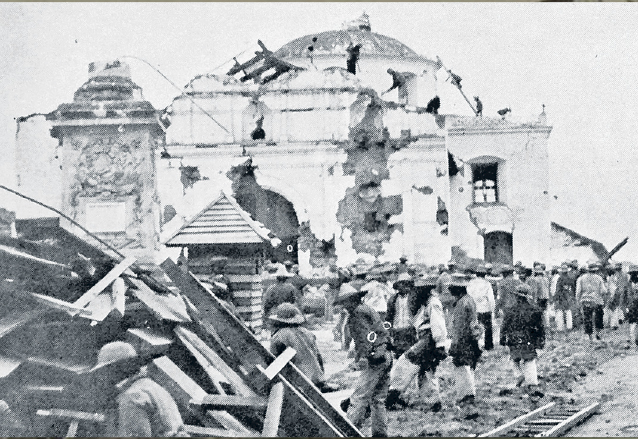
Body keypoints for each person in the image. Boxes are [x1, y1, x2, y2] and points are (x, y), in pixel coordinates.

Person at [335, 282, 392, 437]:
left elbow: (364, 340)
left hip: (376, 358)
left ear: (352, 300)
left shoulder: (357, 315)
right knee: (378, 399)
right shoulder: (367, 309)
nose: (344, 306)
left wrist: (363, 358)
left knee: (359, 398)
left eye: (345, 302)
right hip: (385, 354)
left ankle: (347, 432)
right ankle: (380, 433)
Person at [97, 341, 188, 437]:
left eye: (107, 369)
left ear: (120, 367)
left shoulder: (131, 396)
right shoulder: (154, 387)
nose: (104, 375)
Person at [387, 275, 449, 412]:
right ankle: (431, 401)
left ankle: (392, 395)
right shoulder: (423, 303)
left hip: (428, 341)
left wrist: (440, 345)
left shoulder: (433, 303)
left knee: (404, 363)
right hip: (420, 338)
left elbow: (438, 326)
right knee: (425, 370)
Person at [269, 303, 337, 393]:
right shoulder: (307, 333)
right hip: (317, 379)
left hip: (299, 381)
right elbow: (318, 357)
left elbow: (273, 361)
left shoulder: (279, 336)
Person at [500, 284, 545, 397]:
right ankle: (531, 383)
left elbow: (504, 326)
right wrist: (541, 341)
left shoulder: (510, 310)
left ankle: (519, 375)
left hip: (513, 339)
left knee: (514, 359)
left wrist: (502, 339)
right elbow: (540, 328)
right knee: (529, 360)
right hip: (529, 339)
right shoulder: (535, 310)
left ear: (516, 297)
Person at [449, 273, 482, 405]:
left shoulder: (462, 303)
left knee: (462, 366)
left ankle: (467, 395)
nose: (450, 289)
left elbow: (460, 327)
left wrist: (455, 344)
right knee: (467, 367)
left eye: (452, 287)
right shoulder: (468, 300)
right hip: (470, 339)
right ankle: (467, 393)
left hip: (463, 340)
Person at [386, 273, 419, 357]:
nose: (405, 286)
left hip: (410, 329)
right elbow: (389, 316)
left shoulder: (414, 298)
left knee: (411, 353)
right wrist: (389, 330)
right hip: (397, 330)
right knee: (398, 353)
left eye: (407, 284)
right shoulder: (393, 299)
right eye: (402, 284)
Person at [576, 261, 607, 342]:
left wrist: (578, 301)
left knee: (587, 318)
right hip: (597, 300)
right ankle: (598, 334)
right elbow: (603, 291)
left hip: (585, 300)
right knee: (598, 318)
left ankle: (590, 337)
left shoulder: (581, 278)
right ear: (595, 270)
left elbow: (578, 292)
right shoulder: (599, 278)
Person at [466, 265, 496, 350]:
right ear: (484, 274)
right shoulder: (487, 284)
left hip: (474, 308)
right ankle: (488, 345)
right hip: (485, 308)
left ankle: (475, 345)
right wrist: (492, 309)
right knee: (487, 328)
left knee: (474, 327)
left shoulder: (471, 283)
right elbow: (491, 298)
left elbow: (468, 295)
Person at [528, 263, 551, 332]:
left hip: (539, 298)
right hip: (546, 297)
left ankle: (540, 326)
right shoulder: (546, 279)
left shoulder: (535, 280)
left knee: (538, 312)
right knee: (545, 312)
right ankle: (547, 325)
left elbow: (535, 291)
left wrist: (534, 299)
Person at [606, 262, 629, 330]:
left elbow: (614, 286)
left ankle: (616, 321)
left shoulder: (614, 276)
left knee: (616, 307)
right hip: (621, 292)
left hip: (617, 292)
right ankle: (620, 318)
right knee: (620, 306)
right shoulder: (624, 274)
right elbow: (626, 284)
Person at [554, 263, 575, 333]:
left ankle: (560, 328)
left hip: (561, 296)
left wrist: (556, 297)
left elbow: (558, 288)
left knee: (560, 311)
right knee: (568, 311)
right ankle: (569, 326)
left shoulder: (560, 278)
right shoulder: (570, 278)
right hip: (568, 296)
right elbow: (573, 288)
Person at [623, 265, 638, 348]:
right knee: (632, 324)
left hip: (633, 306)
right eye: (633, 273)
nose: (634, 275)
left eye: (635, 273)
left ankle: (635, 340)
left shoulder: (629, 284)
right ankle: (634, 341)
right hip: (632, 307)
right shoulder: (628, 285)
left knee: (633, 324)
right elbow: (625, 296)